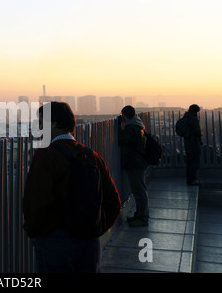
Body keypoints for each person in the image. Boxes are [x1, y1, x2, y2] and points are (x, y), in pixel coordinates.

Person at [23, 102, 121, 273]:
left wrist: (35, 232)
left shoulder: (46, 156)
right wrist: (97, 228)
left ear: (53, 123)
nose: (38, 127)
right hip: (90, 240)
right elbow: (113, 202)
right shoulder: (92, 156)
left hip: (55, 241)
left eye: (41, 122)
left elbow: (35, 202)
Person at [118, 105, 149, 227]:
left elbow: (122, 140)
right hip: (139, 162)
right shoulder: (138, 125)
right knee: (139, 190)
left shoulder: (131, 128)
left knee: (139, 191)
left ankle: (142, 218)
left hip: (135, 163)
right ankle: (140, 215)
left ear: (125, 115)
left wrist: (120, 127)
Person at [183, 104, 202, 185]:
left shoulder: (185, 117)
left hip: (187, 143)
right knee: (194, 162)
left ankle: (189, 179)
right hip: (194, 143)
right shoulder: (194, 119)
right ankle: (192, 179)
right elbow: (197, 131)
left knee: (189, 162)